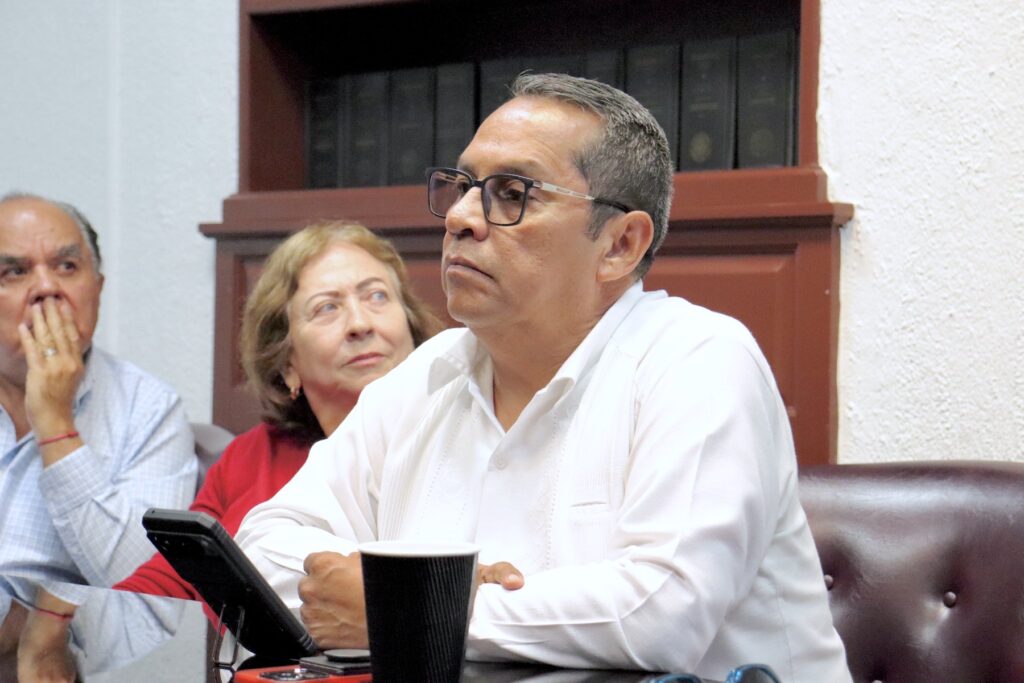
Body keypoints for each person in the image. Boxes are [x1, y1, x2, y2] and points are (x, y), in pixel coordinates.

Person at [236, 74, 852, 681]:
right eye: (463, 187)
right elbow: (263, 544)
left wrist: (415, 609)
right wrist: (414, 592)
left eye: (512, 194)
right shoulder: (428, 374)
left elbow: (661, 614)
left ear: (620, 244)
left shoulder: (699, 361)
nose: (460, 217)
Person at [116, 221, 443, 599]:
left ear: (411, 325)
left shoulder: (452, 437)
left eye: (377, 296)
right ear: (288, 363)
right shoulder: (250, 457)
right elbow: (167, 582)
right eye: (327, 307)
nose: (360, 323)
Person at [0, 193, 197, 674]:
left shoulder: (149, 408)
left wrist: (55, 425)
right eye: (14, 272)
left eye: (67, 267)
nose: (47, 288)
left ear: (98, 288)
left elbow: (147, 600)